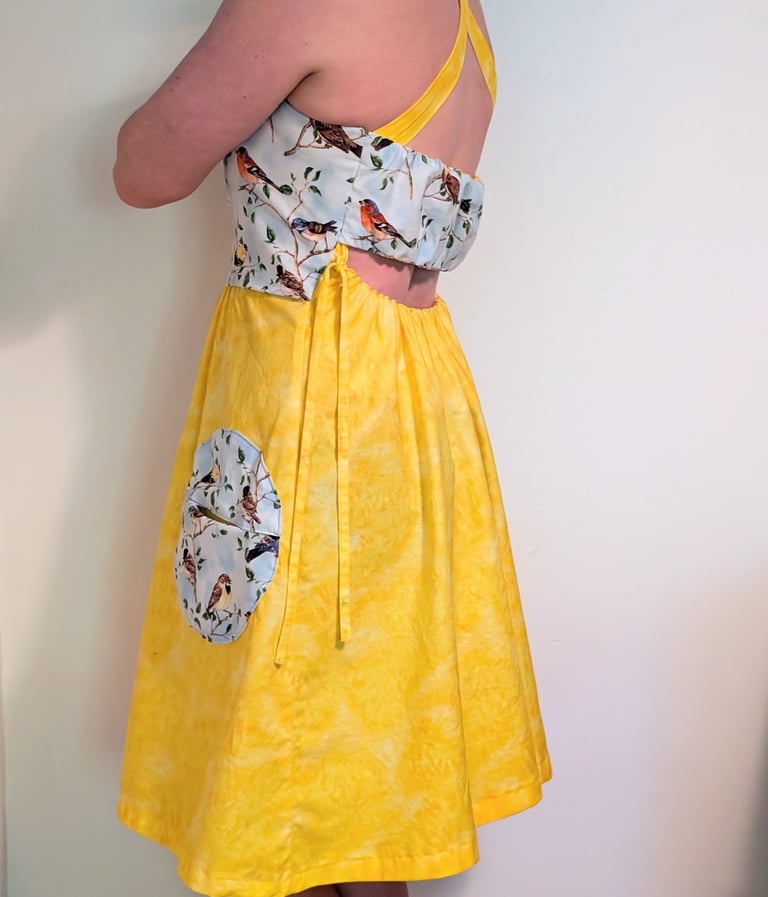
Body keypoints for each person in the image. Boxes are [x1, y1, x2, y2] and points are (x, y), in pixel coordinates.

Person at [114, 2, 551, 896]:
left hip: (311, 408)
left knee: (290, 760)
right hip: (411, 399)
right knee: (360, 751)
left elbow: (142, 169)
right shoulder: (464, 19)